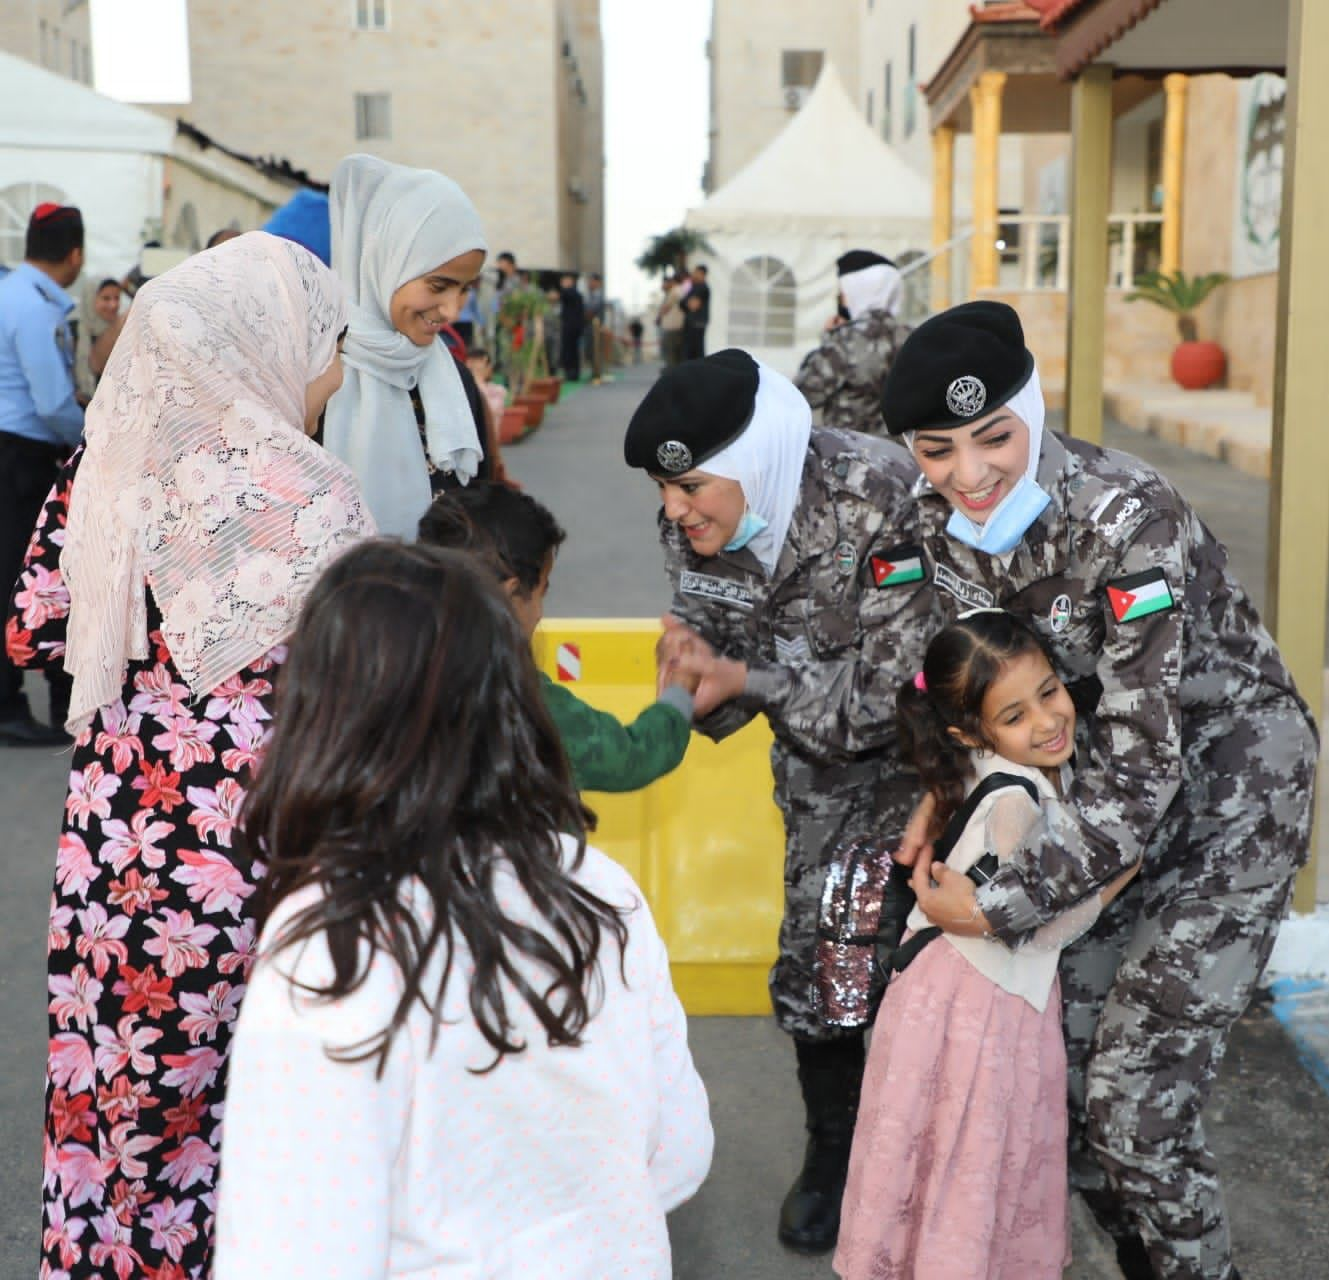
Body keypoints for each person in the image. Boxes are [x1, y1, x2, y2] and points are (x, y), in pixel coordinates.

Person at [883, 300, 1317, 1280]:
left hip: (1229, 794)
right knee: (1062, 1087)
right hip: (1083, 791)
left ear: (1032, 410)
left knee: (1136, 1105)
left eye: (994, 435)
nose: (972, 473)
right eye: (936, 448)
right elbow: (974, 677)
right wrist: (945, 790)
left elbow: (1144, 755)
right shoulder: (935, 521)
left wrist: (997, 902)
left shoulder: (1129, 514)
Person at [6, 231, 372, 1279]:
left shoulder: (104, 466)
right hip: (266, 852)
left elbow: (32, 628)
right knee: (253, 1117)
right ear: (267, 341)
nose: (335, 370)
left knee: (119, 1108)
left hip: (116, 853)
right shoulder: (311, 494)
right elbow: (365, 680)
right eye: (329, 342)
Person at [213, 540, 712, 1278]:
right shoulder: (596, 885)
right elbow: (677, 1154)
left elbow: (290, 1248)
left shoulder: (333, 940)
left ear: (320, 711)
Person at [622, 349, 936, 1254]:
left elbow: (899, 686)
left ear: (753, 457)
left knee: (954, 980)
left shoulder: (882, 494)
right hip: (826, 780)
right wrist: (691, 663)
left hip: (950, 763)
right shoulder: (693, 519)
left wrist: (744, 678)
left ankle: (936, 1160)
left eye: (688, 488)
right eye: (661, 489)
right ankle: (836, 1154)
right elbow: (711, 618)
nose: (674, 511)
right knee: (827, 968)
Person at [835, 611, 1140, 1280]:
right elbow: (1043, 922)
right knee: (975, 1149)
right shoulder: (1017, 802)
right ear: (971, 731)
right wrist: (1119, 873)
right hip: (984, 1006)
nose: (1045, 721)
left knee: (931, 1147)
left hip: (937, 994)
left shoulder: (978, 764)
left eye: (1049, 691)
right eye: (1014, 714)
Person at [418, 484, 696, 792]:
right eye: (541, 592)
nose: (539, 614)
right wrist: (677, 690)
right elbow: (632, 758)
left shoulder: (384, 664)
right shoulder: (514, 695)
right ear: (508, 597)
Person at [325, 153, 489, 538]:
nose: (451, 310)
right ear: (383, 262)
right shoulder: (316, 375)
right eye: (438, 285)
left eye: (465, 289)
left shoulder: (451, 378)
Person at [0, 202, 84, 746]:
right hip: (19, 456)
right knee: (15, 577)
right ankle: (7, 705)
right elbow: (53, 403)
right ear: (75, 254)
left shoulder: (13, 294)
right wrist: (90, 438)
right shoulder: (33, 309)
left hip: (12, 450)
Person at [794, 249, 911, 436]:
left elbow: (803, 394)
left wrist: (828, 340)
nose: (842, 300)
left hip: (851, 456)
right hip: (901, 458)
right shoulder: (913, 338)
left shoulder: (843, 341)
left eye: (843, 293)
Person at [559, 271, 586, 383]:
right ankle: (573, 373)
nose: (562, 283)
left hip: (570, 327)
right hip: (575, 327)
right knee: (573, 351)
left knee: (569, 351)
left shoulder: (570, 293)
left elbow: (561, 296)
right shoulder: (577, 294)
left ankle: (570, 373)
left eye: (565, 280)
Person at [681, 263, 710, 361]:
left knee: (696, 352)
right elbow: (684, 302)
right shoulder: (693, 287)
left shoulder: (702, 288)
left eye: (696, 272)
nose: (693, 274)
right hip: (691, 323)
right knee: (689, 352)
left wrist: (686, 302)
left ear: (701, 273)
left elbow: (693, 305)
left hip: (697, 323)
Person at [657, 275, 686, 368]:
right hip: (677, 327)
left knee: (670, 353)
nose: (662, 285)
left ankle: (671, 374)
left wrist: (658, 317)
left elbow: (665, 308)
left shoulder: (674, 291)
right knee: (675, 353)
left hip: (672, 327)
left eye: (664, 283)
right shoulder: (680, 290)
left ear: (671, 282)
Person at [584, 271, 605, 381]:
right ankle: (594, 371)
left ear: (597, 282)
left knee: (596, 349)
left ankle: (597, 373)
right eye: (589, 281)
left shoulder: (598, 295)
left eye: (592, 281)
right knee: (590, 350)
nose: (589, 283)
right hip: (588, 326)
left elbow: (592, 310)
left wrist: (586, 314)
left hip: (596, 326)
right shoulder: (587, 295)